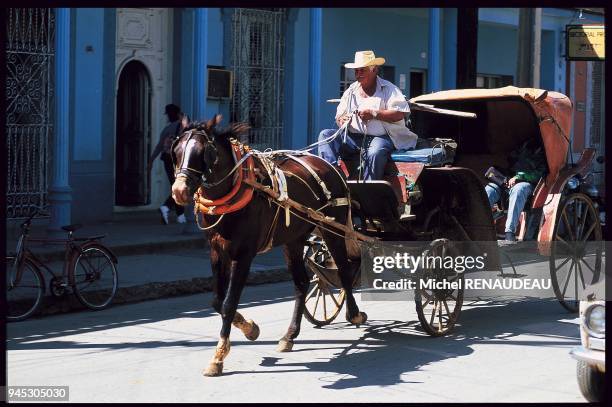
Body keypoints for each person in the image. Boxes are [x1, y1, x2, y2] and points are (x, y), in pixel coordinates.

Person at [318, 50, 416, 180]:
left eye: (362, 70)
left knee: (375, 152)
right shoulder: (351, 91)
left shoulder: (389, 89)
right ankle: (331, 177)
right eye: (356, 71)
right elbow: (339, 116)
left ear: (374, 70)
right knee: (325, 135)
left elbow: (399, 114)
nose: (358, 74)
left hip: (381, 138)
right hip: (353, 139)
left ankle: (369, 188)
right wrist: (342, 120)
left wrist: (374, 114)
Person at [485, 138, 547, 242]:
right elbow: (510, 165)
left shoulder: (542, 156)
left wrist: (520, 177)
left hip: (528, 183)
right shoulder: (519, 151)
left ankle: (510, 232)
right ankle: (480, 227)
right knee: (490, 189)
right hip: (509, 181)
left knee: (519, 189)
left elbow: (538, 174)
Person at [148, 104, 185, 224]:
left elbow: (159, 146)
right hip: (177, 160)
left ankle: (180, 215)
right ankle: (167, 207)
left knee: (176, 186)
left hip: (167, 160)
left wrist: (151, 160)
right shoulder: (183, 127)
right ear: (178, 114)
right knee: (180, 187)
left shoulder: (166, 129)